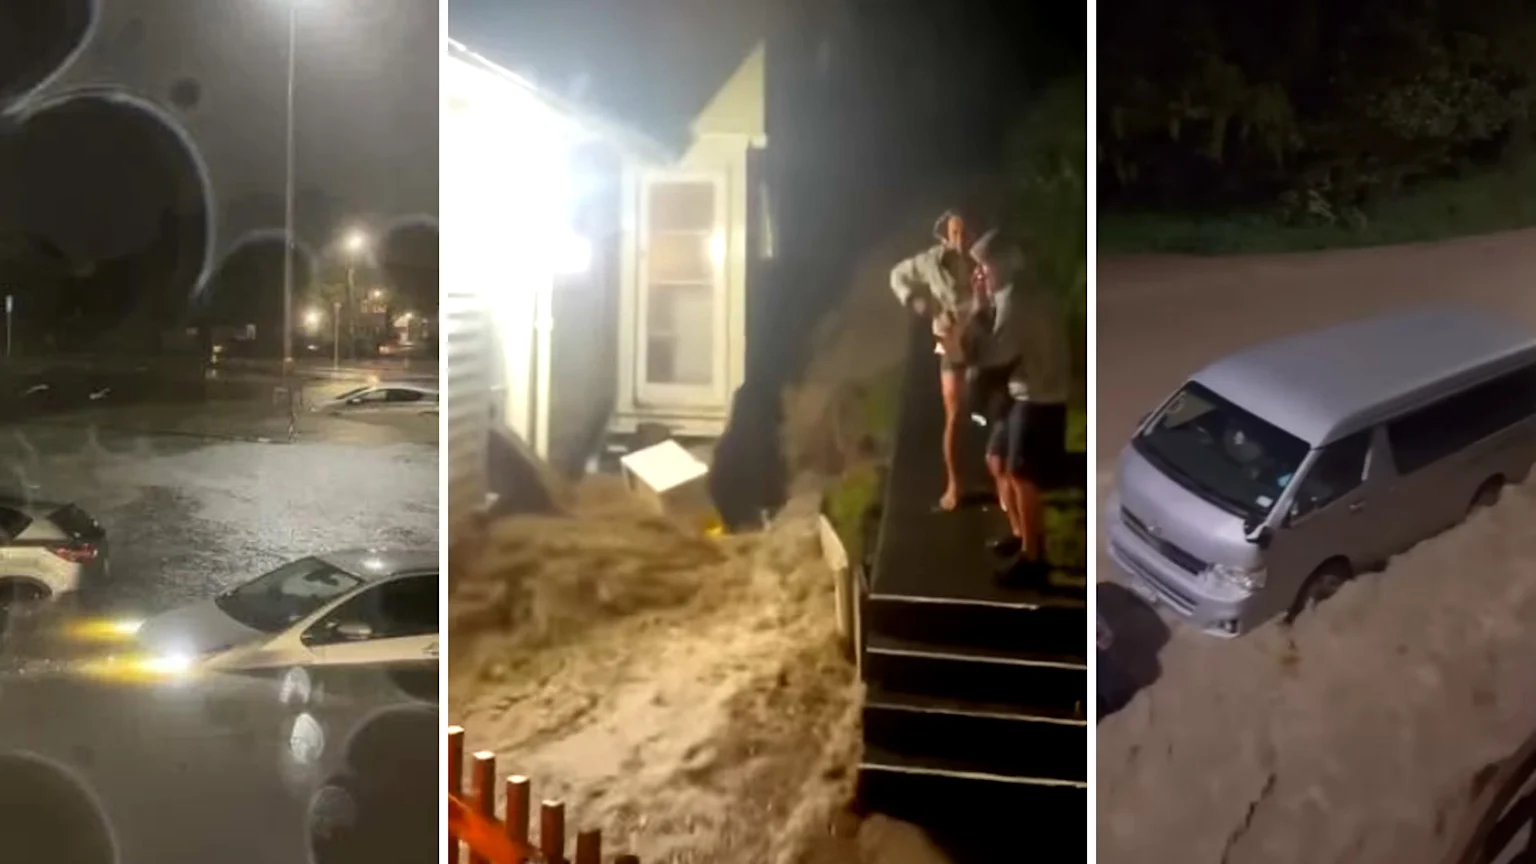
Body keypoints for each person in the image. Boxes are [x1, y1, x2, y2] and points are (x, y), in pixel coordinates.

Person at [969, 228, 1071, 575]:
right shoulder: (1018, 292)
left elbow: (994, 355)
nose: (980, 274)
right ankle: (1021, 535)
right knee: (998, 461)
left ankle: (1034, 557)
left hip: (1039, 397)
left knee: (1022, 475)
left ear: (1005, 263)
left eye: (984, 267)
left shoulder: (1016, 299)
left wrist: (967, 339)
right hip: (1023, 392)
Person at [889, 209, 987, 511]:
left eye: (966, 231)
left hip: (987, 338)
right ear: (944, 236)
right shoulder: (930, 261)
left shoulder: (985, 255)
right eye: (956, 232)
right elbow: (897, 274)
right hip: (953, 340)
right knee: (955, 414)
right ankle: (955, 485)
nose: (962, 239)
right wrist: (913, 298)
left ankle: (998, 477)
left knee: (992, 411)